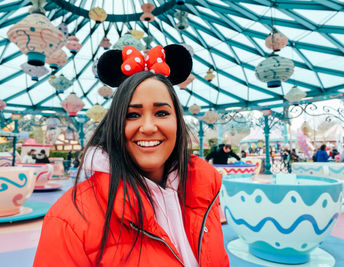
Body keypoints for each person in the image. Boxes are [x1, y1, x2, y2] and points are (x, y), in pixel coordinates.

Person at [34, 44, 229, 266]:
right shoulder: (68, 220)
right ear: (115, 124)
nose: (147, 127)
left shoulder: (206, 191)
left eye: (162, 113)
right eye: (132, 115)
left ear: (178, 121)